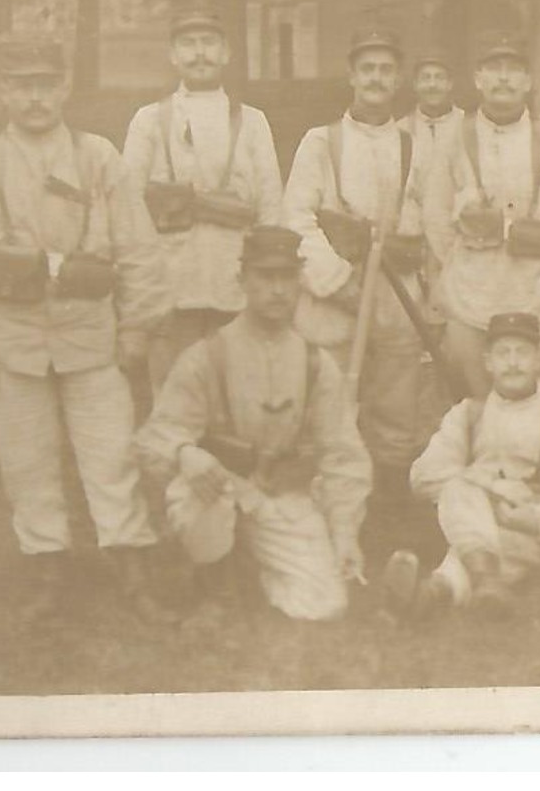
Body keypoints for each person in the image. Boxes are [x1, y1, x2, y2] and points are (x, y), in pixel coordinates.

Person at [0, 37, 174, 625]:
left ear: (65, 87)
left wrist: (137, 326)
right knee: (26, 462)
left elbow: (140, 250)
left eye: (45, 83)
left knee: (112, 455)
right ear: (4, 92)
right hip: (14, 339)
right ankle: (47, 568)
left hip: (91, 335)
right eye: (21, 84)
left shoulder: (100, 160)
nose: (35, 96)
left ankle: (131, 567)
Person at [132, 226, 372, 622]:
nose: (277, 290)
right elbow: (153, 438)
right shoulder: (207, 356)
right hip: (218, 492)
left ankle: (251, 562)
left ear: (300, 282)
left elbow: (344, 456)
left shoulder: (317, 364)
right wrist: (184, 452)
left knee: (326, 605)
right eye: (265, 277)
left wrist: (345, 534)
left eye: (287, 278)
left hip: (279, 498)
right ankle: (216, 583)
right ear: (242, 280)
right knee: (201, 497)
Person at [283, 25, 434, 559]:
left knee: (396, 400)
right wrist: (336, 280)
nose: (375, 79)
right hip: (333, 293)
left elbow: (429, 223)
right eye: (366, 69)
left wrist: (410, 266)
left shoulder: (415, 145)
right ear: (351, 76)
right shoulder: (321, 141)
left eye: (386, 70)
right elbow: (296, 218)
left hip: (395, 292)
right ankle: (325, 498)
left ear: (398, 79)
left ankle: (387, 500)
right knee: (330, 395)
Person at [385, 312, 540, 619]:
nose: (513, 362)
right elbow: (423, 476)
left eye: (523, 353)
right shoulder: (469, 413)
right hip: (478, 514)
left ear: (538, 360)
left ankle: (428, 594)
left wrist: (534, 517)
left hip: (532, 525)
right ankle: (474, 586)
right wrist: (490, 489)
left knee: (478, 540)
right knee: (461, 494)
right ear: (488, 362)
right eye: (503, 353)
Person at [122, 9, 283, 396]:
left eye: (209, 43)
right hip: (171, 284)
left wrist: (266, 279)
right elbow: (127, 207)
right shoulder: (148, 121)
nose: (199, 54)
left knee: (238, 395)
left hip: (234, 283)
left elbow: (271, 207)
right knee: (175, 394)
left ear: (226, 53)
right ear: (173, 56)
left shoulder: (253, 121)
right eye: (189, 45)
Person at [422, 33, 540, 404]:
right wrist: (469, 257)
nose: (504, 79)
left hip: (535, 296)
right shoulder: (455, 138)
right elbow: (436, 217)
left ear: (528, 81)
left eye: (514, 71)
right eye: (494, 70)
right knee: (477, 406)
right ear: (478, 78)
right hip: (470, 301)